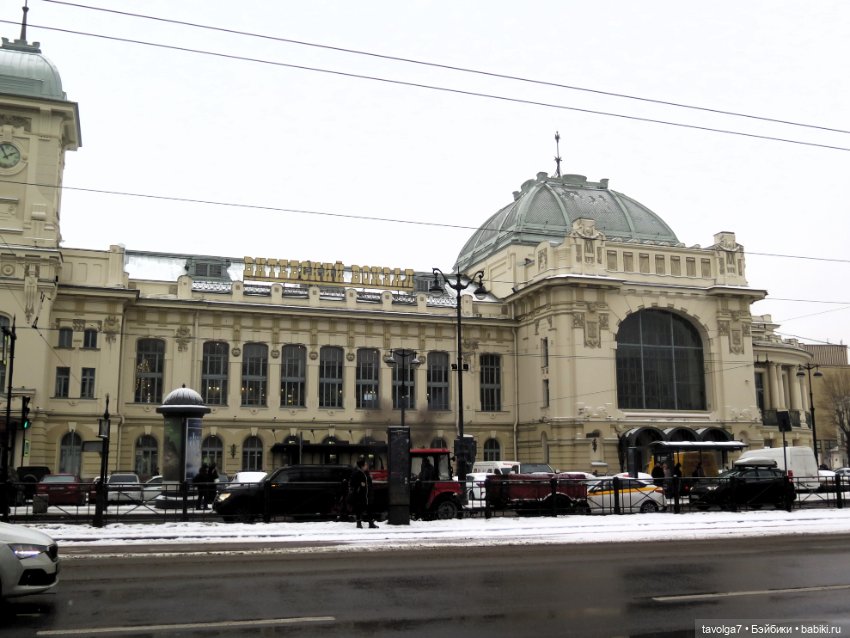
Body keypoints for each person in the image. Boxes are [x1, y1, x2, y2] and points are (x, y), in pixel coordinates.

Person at [350, 459, 378, 529]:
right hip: (360, 495)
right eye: (365, 465)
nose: (367, 466)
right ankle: (358, 523)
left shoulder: (367, 473)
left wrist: (371, 491)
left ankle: (371, 523)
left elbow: (370, 483)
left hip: (368, 494)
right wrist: (359, 485)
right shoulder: (356, 473)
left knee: (369, 509)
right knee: (359, 509)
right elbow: (352, 484)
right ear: (362, 466)